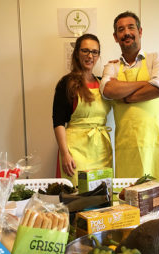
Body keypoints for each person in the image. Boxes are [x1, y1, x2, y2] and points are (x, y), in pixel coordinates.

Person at [100, 11, 159, 185]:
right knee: (129, 203)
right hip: (127, 150)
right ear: (116, 37)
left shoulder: (157, 58)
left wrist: (126, 97)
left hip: (156, 147)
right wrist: (147, 83)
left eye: (131, 27)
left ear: (140, 31)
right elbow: (108, 90)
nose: (126, 32)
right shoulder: (112, 66)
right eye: (121, 29)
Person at [52, 33, 113, 187]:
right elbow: (58, 121)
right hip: (75, 151)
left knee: (101, 198)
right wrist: (65, 153)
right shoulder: (66, 83)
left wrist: (116, 70)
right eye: (85, 51)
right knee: (76, 198)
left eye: (94, 52)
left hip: (101, 150)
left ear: (98, 55)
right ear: (77, 53)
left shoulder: (103, 84)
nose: (90, 56)